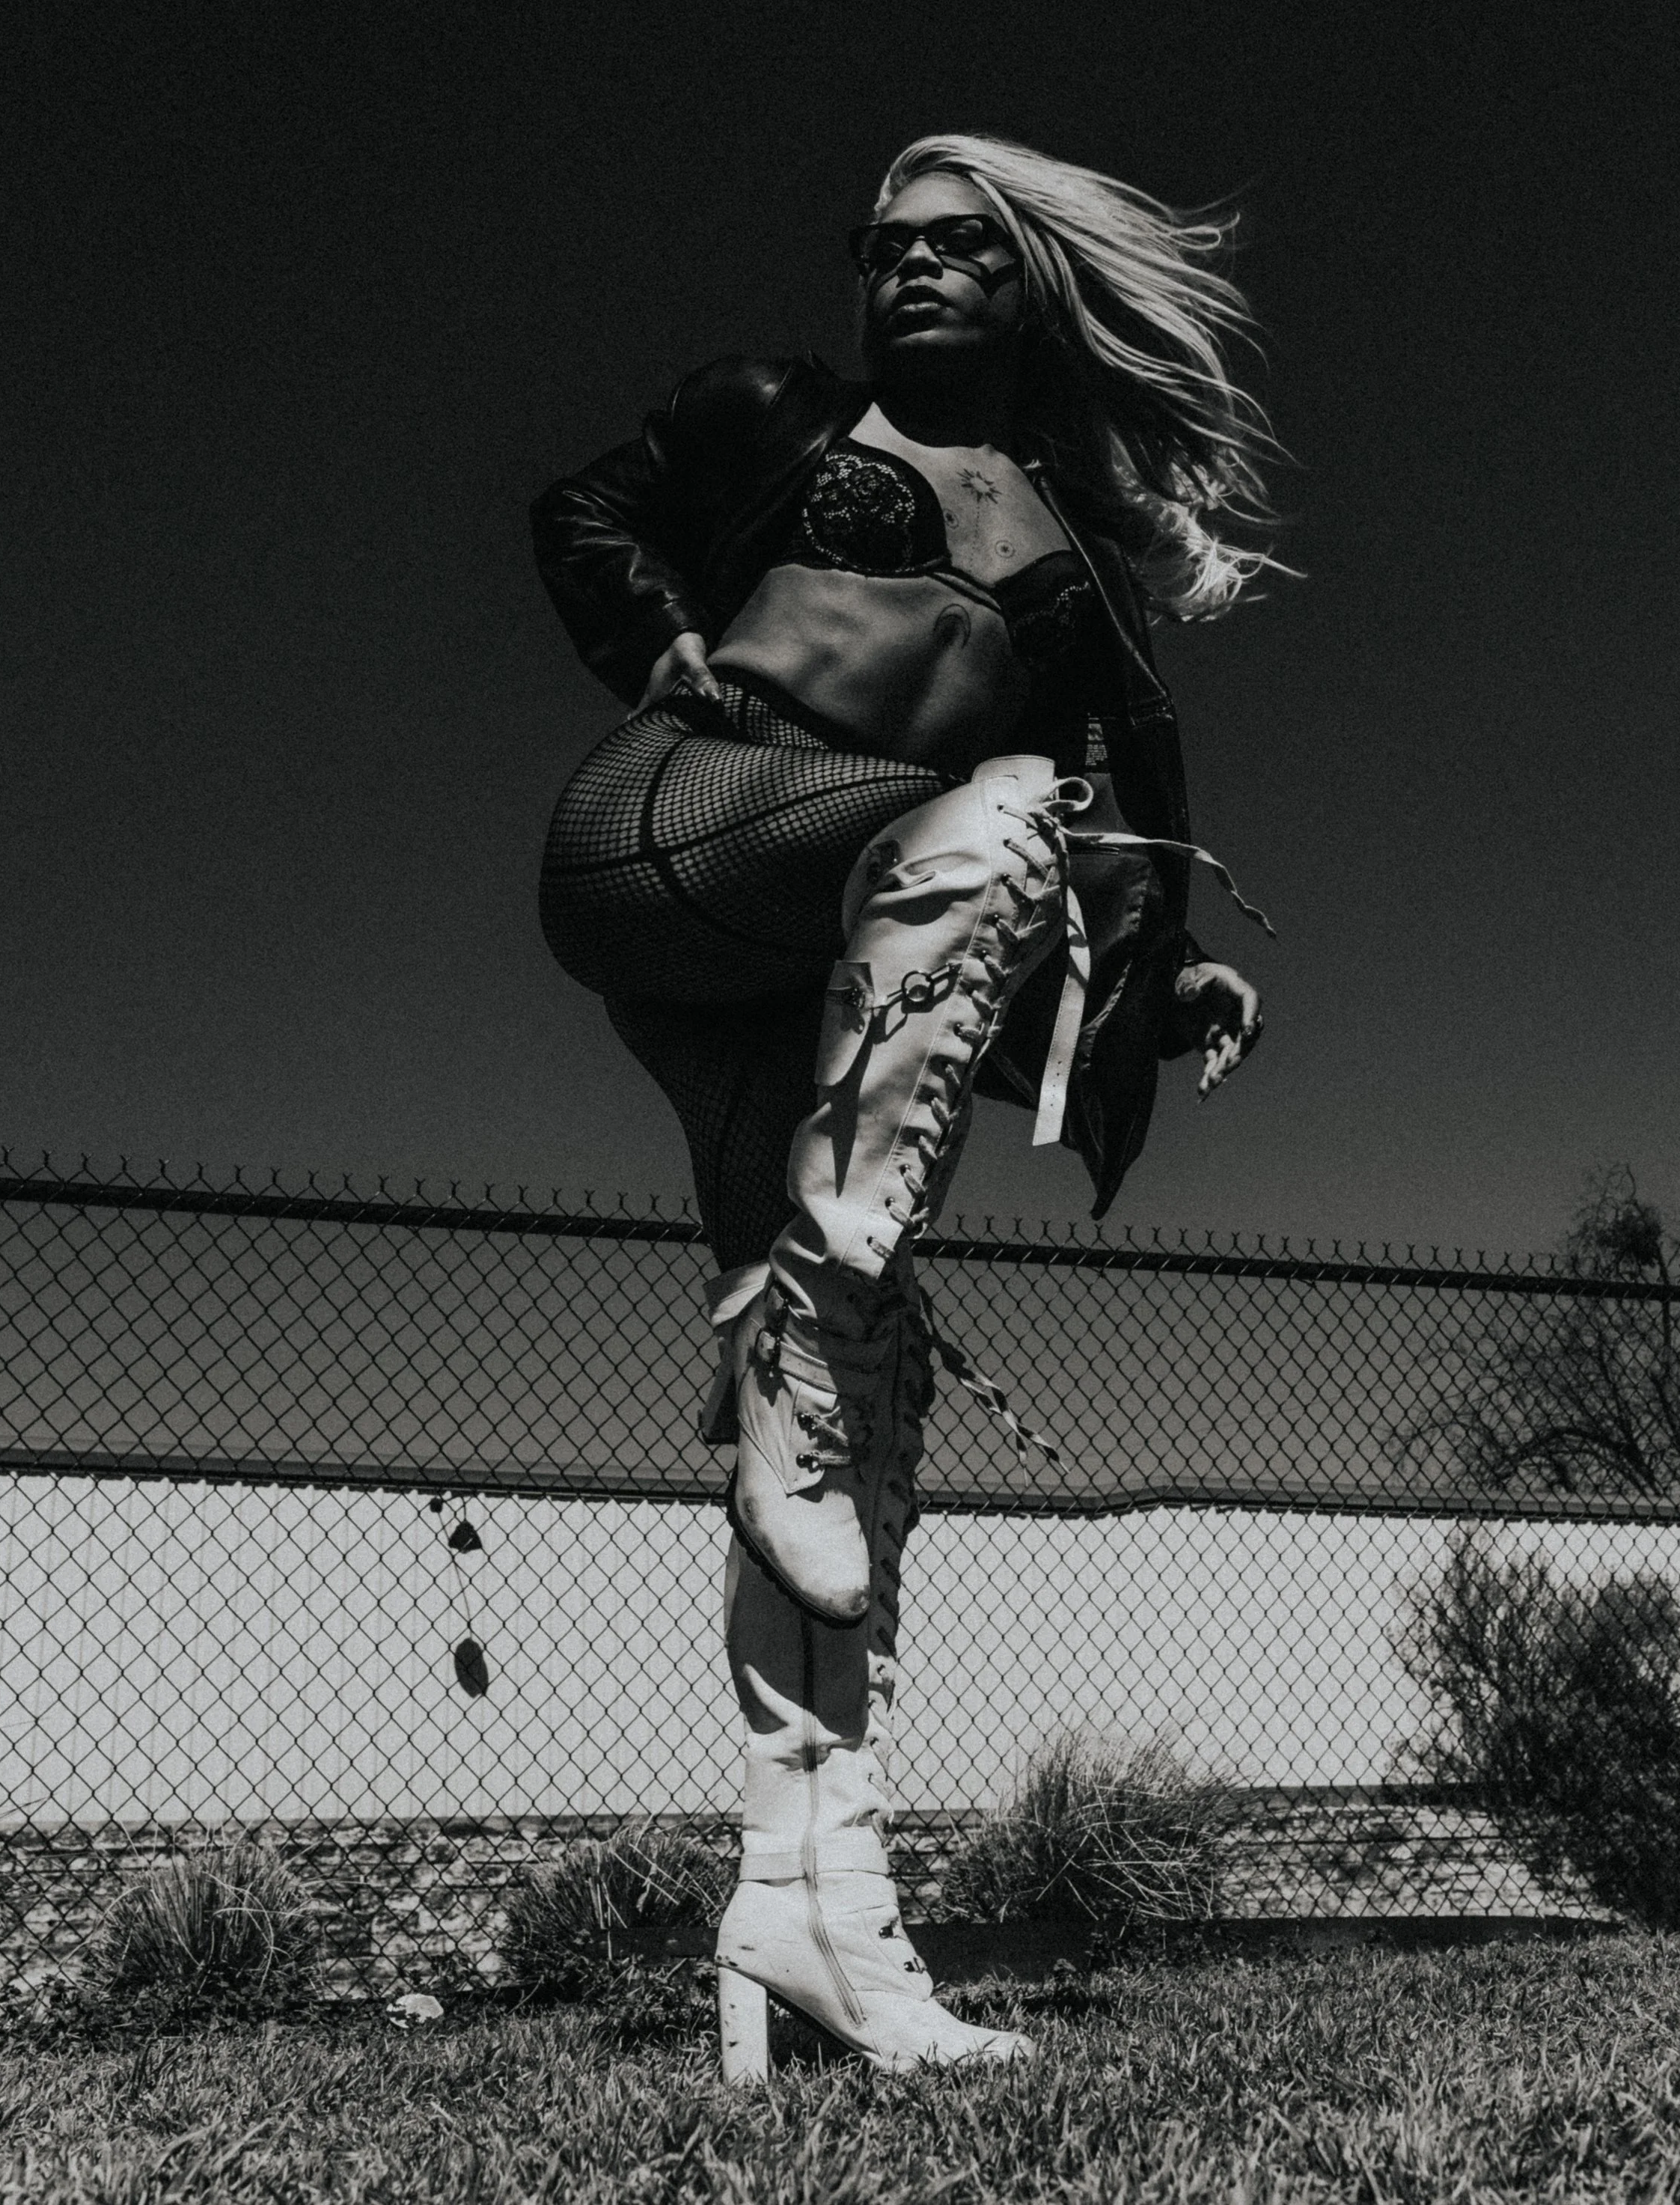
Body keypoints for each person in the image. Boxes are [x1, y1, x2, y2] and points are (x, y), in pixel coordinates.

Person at [531, 132, 1277, 2073]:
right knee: (1004, 809)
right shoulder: (791, 417)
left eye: (961, 249)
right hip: (698, 824)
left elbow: (1098, 822)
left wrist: (1160, 965)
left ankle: (808, 1907)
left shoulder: (1073, 562)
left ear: (1032, 280)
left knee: (847, 1422)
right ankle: (832, 1271)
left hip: (851, 949)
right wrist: (656, 635)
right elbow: (588, 504)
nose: (915, 275)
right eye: (887, 250)